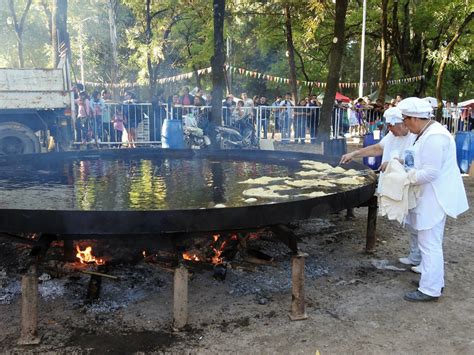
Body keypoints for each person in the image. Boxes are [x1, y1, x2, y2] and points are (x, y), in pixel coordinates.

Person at [397, 97, 468, 302]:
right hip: (428, 194)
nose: (405, 125)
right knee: (427, 241)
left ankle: (430, 289)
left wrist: (405, 178)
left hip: (435, 195)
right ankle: (431, 279)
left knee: (429, 243)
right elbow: (419, 159)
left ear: (414, 118)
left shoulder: (436, 136)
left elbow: (430, 173)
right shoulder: (426, 132)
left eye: (405, 120)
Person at [340, 107, 420, 260]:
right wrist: (354, 154)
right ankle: (415, 255)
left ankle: (421, 257)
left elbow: (416, 162)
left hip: (411, 184)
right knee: (410, 221)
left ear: (403, 123)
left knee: (417, 221)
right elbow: (377, 148)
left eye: (392, 126)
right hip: (395, 184)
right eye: (388, 126)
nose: (389, 129)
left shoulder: (415, 138)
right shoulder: (392, 136)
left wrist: (394, 163)